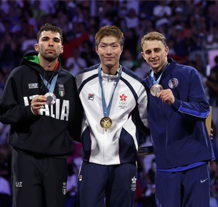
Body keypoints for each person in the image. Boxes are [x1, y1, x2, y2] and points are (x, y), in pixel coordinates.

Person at [0, 23, 83, 207]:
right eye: (45, 39)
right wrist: (28, 110)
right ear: (37, 47)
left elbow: (76, 124)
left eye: (56, 40)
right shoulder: (19, 74)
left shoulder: (69, 81)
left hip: (57, 161)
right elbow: (5, 114)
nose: (51, 44)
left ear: (62, 48)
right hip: (26, 158)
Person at [75, 25, 149, 207]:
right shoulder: (81, 80)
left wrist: (127, 143)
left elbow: (145, 123)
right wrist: (85, 140)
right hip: (92, 161)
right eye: (104, 46)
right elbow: (73, 118)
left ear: (122, 49)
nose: (109, 51)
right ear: (96, 49)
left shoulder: (137, 85)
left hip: (124, 163)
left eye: (114, 46)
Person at [141, 31, 215, 207]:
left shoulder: (188, 73)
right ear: (143, 56)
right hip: (165, 167)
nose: (153, 55)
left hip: (193, 162)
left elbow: (204, 110)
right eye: (149, 52)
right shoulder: (143, 86)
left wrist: (177, 102)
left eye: (157, 50)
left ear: (166, 50)